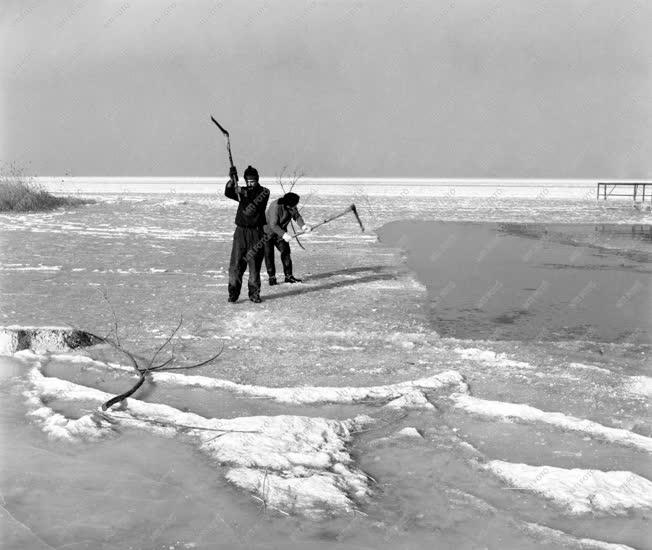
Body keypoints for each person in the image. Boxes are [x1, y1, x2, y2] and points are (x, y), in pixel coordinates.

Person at [224, 165, 270, 303]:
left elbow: (254, 203)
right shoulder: (242, 192)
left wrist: (243, 192)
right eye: (248, 181)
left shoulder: (264, 192)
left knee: (254, 265)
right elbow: (228, 192)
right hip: (240, 233)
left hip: (256, 233)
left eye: (253, 181)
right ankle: (233, 293)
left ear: (257, 180)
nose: (250, 183)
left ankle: (254, 293)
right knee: (236, 264)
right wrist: (232, 180)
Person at [263, 192, 311, 285]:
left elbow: (297, 216)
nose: (295, 207)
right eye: (294, 205)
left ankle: (288, 276)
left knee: (286, 252)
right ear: (287, 204)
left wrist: (303, 226)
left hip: (280, 233)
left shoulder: (292, 205)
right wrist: (284, 235)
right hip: (266, 232)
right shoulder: (275, 207)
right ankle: (272, 277)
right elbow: (273, 225)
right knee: (269, 255)